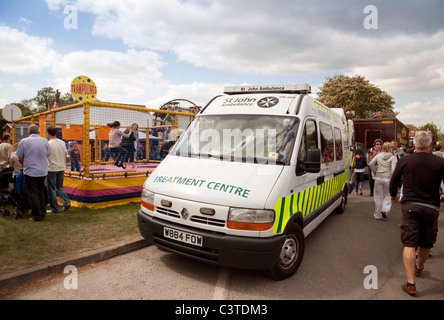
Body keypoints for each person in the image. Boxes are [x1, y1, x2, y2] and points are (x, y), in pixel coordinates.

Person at [390, 131, 444, 296]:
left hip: (411, 206)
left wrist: (393, 195)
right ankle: (419, 267)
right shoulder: (440, 162)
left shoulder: (405, 160)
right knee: (426, 243)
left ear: (414, 145)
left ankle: (410, 283)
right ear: (430, 145)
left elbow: (394, 180)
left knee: (409, 243)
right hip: (432, 207)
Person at [15, 125, 51, 221]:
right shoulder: (45, 141)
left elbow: (20, 157)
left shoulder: (24, 141)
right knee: (40, 192)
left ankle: (37, 215)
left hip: (30, 171)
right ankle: (42, 213)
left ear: (28, 132)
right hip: (42, 171)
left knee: (32, 193)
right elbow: (48, 154)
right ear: (39, 132)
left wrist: (24, 164)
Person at [368, 141, 397, 220]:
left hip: (378, 177)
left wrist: (375, 171)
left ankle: (377, 215)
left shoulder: (378, 155)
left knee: (378, 196)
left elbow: (370, 164)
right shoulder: (393, 157)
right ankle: (385, 210)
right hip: (388, 178)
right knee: (388, 195)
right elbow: (393, 170)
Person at [47, 126, 71, 213]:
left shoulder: (48, 143)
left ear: (48, 133)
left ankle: (54, 208)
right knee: (60, 186)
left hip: (52, 168)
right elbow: (65, 155)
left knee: (51, 188)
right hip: (61, 166)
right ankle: (66, 201)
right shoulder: (62, 143)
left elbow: (47, 156)